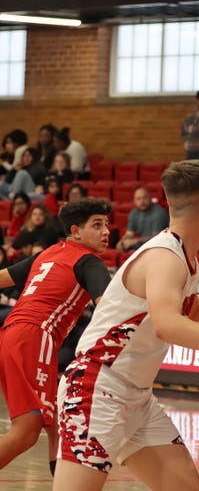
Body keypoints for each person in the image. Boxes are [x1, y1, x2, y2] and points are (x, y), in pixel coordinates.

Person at [52, 160, 199, 491]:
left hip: (136, 395)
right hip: (96, 388)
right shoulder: (165, 258)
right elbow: (167, 324)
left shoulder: (180, 253)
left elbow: (190, 306)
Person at [0, 198, 113, 474]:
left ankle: (62, 479)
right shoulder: (90, 262)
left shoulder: (50, 252)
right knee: (27, 431)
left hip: (15, 334)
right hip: (36, 336)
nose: (106, 231)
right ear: (76, 231)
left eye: (107, 224)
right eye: (97, 225)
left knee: (56, 423)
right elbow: (109, 307)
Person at [115, 187, 169, 252]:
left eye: (145, 198)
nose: (142, 201)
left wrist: (135, 241)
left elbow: (157, 237)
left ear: (150, 199)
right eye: (138, 199)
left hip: (159, 245)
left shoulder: (159, 213)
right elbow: (129, 234)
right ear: (134, 201)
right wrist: (122, 241)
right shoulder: (134, 213)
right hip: (143, 244)